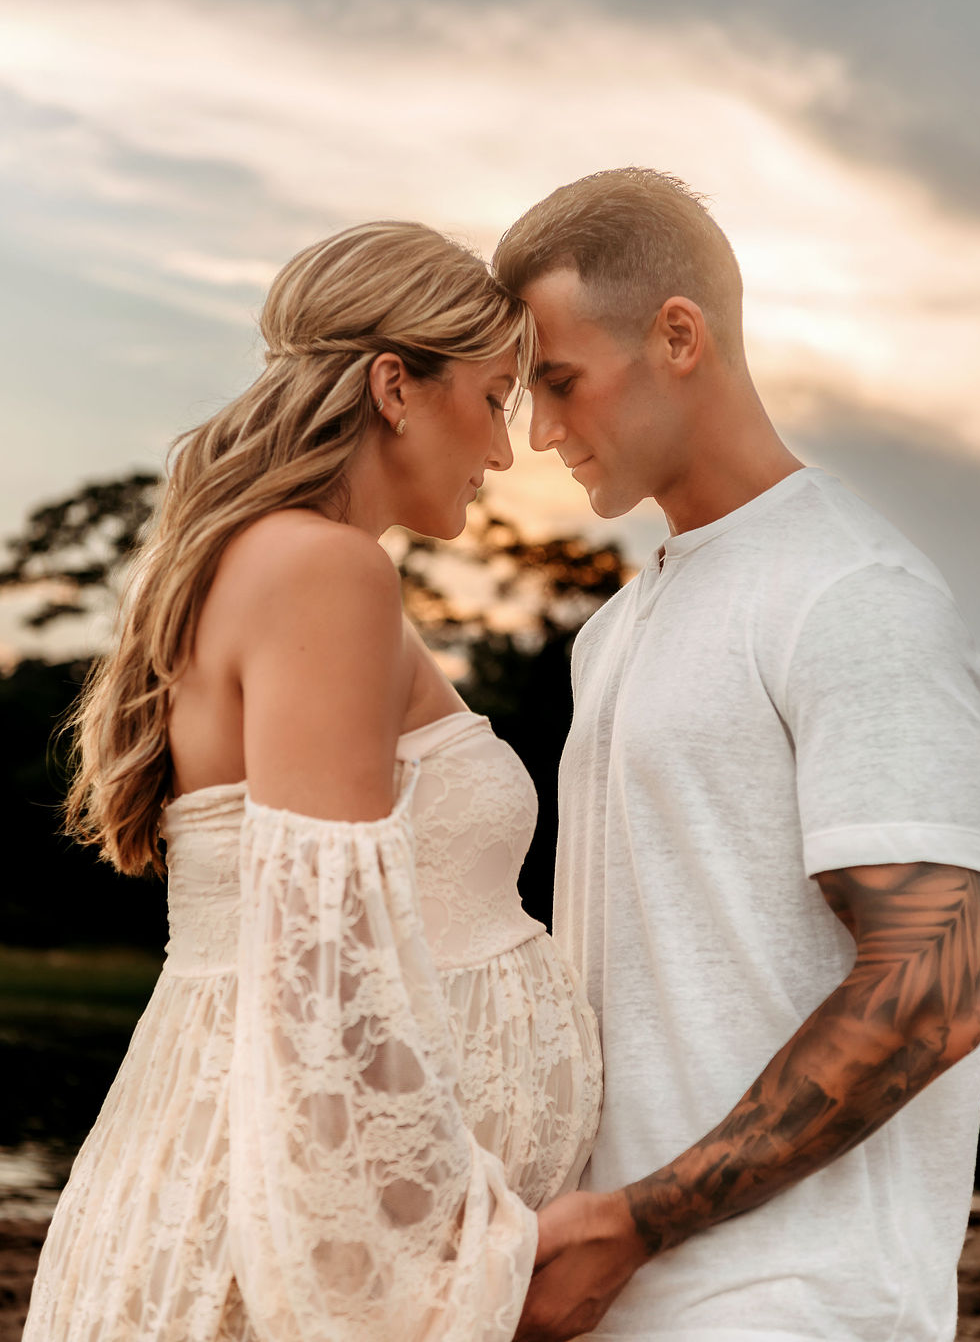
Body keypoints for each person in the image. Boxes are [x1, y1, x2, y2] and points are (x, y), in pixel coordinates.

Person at [22, 221, 602, 1342]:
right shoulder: (320, 569)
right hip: (290, 1234)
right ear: (395, 385)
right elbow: (325, 972)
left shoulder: (284, 561)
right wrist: (471, 1270)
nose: (504, 449)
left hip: (261, 1191)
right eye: (491, 399)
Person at [492, 168, 980, 1342]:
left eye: (558, 382)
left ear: (678, 335)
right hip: (610, 1294)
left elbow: (928, 996)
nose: (539, 432)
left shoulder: (852, 594)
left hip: (790, 1305)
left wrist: (637, 1221)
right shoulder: (616, 628)